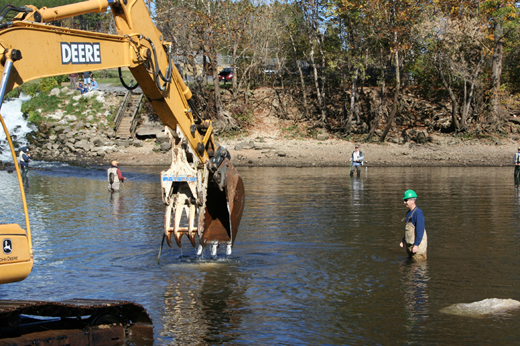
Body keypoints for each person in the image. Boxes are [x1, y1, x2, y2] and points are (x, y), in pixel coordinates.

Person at [399, 190, 427, 262]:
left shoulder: (418, 212)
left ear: (413, 200)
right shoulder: (409, 212)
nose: (404, 202)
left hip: (417, 248)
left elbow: (420, 230)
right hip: (410, 246)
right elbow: (409, 230)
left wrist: (416, 245)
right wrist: (403, 240)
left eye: (406, 200)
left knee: (418, 267)